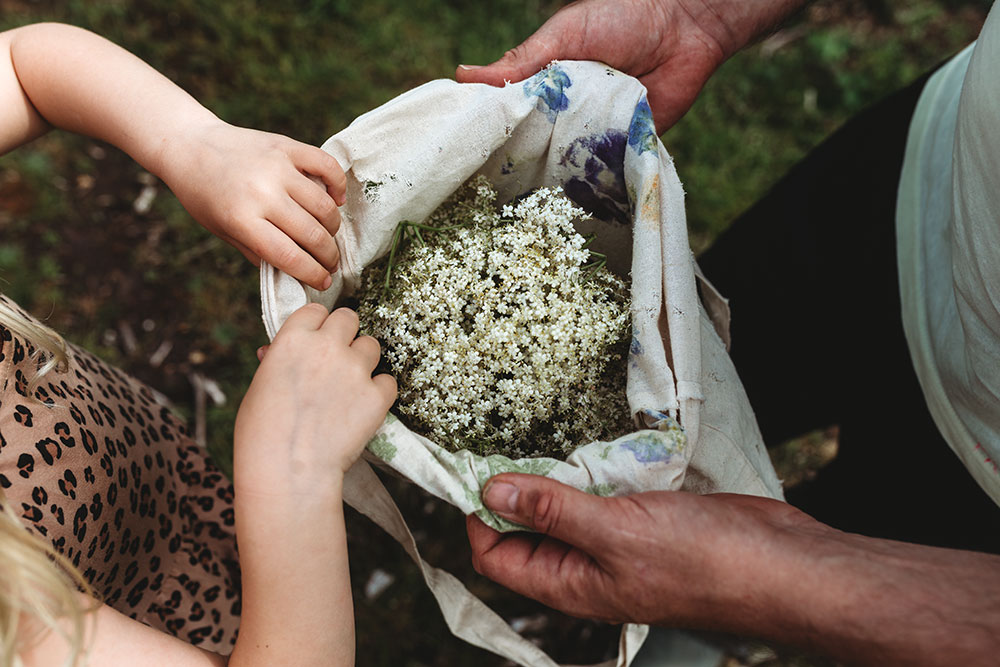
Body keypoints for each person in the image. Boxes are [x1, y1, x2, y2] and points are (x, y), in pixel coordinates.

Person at [458, 0, 1000, 664]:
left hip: (980, 506)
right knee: (681, 381)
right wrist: (699, 14)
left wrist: (764, 577)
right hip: (923, 181)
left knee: (870, 523)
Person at [1, 22, 397, 665]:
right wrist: (290, 478)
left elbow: (21, 67)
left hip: (139, 478)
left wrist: (191, 142)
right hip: (149, 618)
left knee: (213, 538)